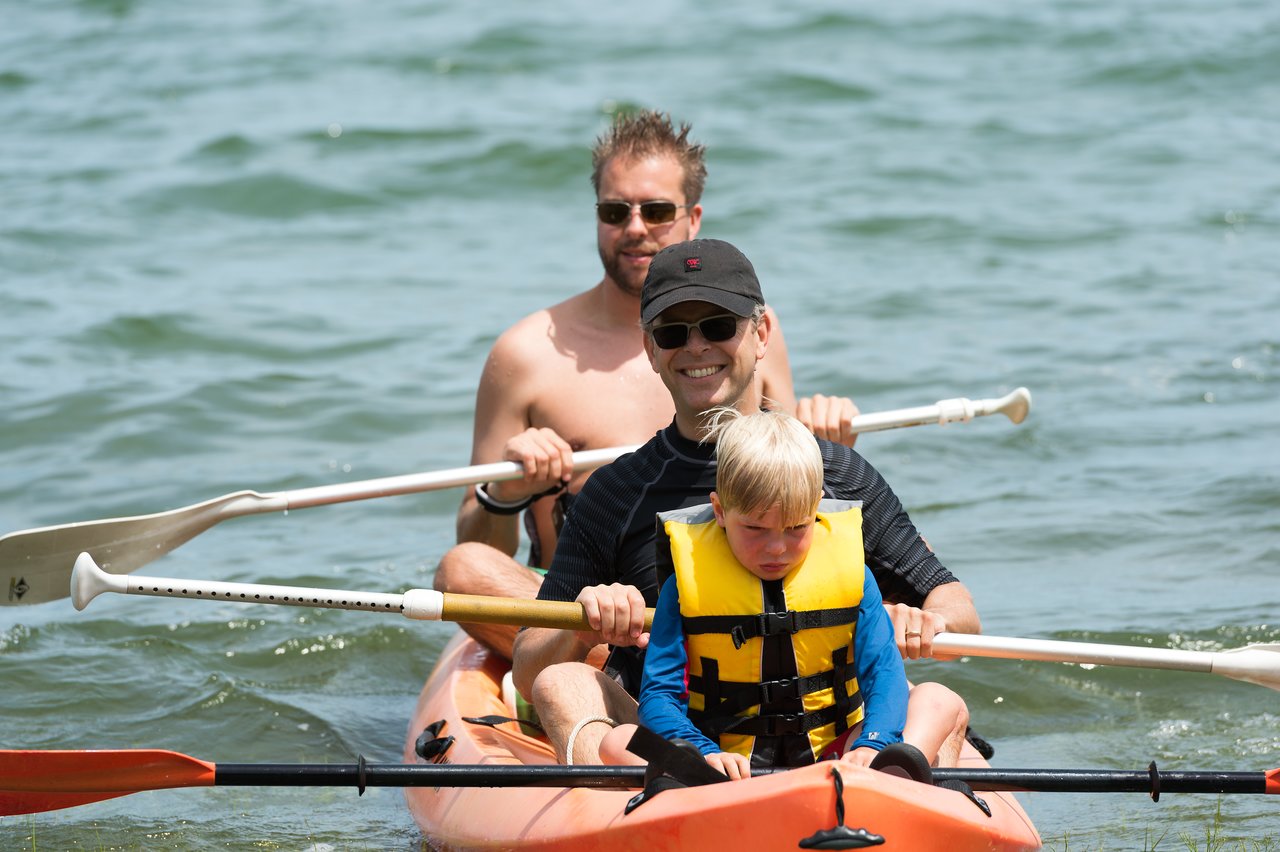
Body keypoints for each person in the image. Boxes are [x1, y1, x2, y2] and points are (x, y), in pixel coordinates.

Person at [510, 238, 978, 769]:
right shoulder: (615, 493)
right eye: (672, 332)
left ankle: (887, 794)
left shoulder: (838, 475)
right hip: (683, 751)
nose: (695, 347)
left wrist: (927, 622)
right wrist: (584, 623)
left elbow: (959, 610)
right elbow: (527, 668)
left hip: (834, 749)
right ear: (650, 349)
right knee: (560, 680)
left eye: (718, 326)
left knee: (942, 704)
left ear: (761, 334)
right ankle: (652, 819)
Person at [435, 111, 858, 658]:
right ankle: (614, 669)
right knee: (463, 568)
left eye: (656, 211)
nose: (635, 228)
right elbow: (477, 542)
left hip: (729, 591)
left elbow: (788, 502)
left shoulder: (749, 335)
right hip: (592, 611)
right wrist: (506, 493)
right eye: (616, 211)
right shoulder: (525, 355)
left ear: (693, 217)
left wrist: (828, 448)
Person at [603, 407, 963, 778]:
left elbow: (884, 676)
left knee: (939, 699)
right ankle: (696, 782)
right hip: (725, 764)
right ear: (720, 510)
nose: (777, 547)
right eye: (756, 528)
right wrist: (703, 751)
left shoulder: (856, 578)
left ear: (816, 508)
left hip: (838, 757)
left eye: (795, 527)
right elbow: (659, 696)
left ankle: (882, 771)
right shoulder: (684, 586)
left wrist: (872, 741)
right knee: (618, 741)